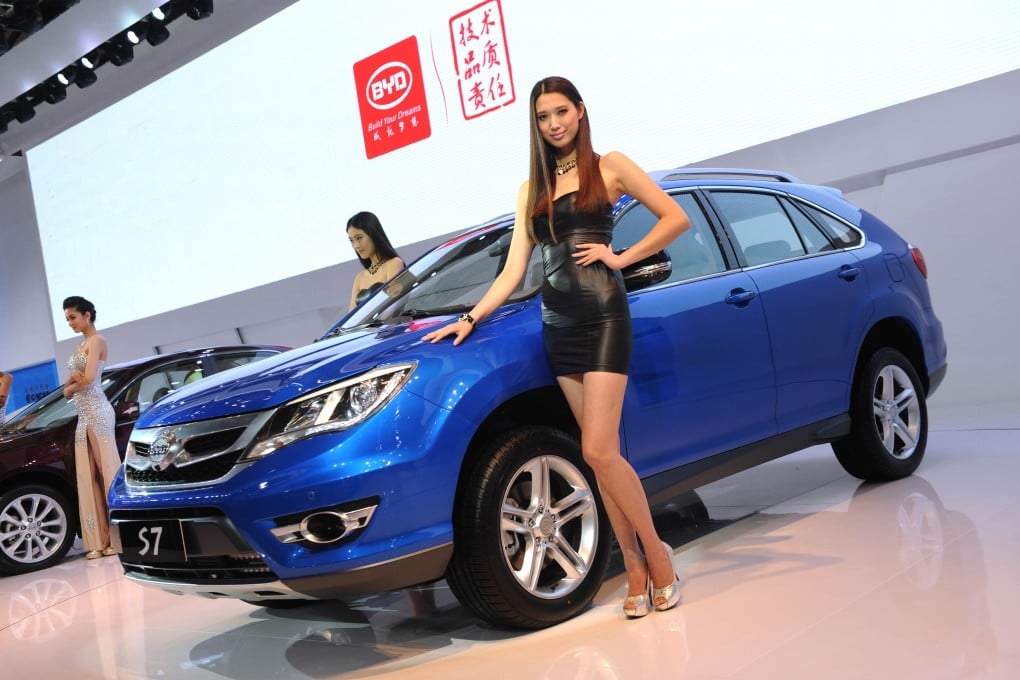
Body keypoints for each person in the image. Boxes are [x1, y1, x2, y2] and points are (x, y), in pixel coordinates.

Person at [424, 76, 691, 618]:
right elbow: (513, 272)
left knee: (597, 450)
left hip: (604, 315)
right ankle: (635, 570)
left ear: (580, 110)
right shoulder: (531, 190)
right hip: (558, 324)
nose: (554, 124)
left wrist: (622, 257)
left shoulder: (610, 165)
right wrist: (470, 317)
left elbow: (675, 217)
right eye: (544, 117)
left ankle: (659, 556)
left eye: (562, 112)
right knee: (601, 461)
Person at [62, 296, 121, 560]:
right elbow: (66, 391)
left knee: (105, 471)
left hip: (98, 412)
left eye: (73, 317)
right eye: (67, 319)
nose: (70, 323)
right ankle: (99, 538)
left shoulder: (97, 340)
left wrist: (72, 386)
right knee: (90, 477)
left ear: (87, 315)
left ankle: (117, 537)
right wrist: (71, 386)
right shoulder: (80, 346)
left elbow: (86, 381)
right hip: (83, 416)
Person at [346, 211, 404, 310]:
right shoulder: (359, 278)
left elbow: (395, 306)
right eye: (351, 240)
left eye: (359, 238)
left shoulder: (394, 263)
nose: (356, 245)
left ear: (373, 234)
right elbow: (351, 317)